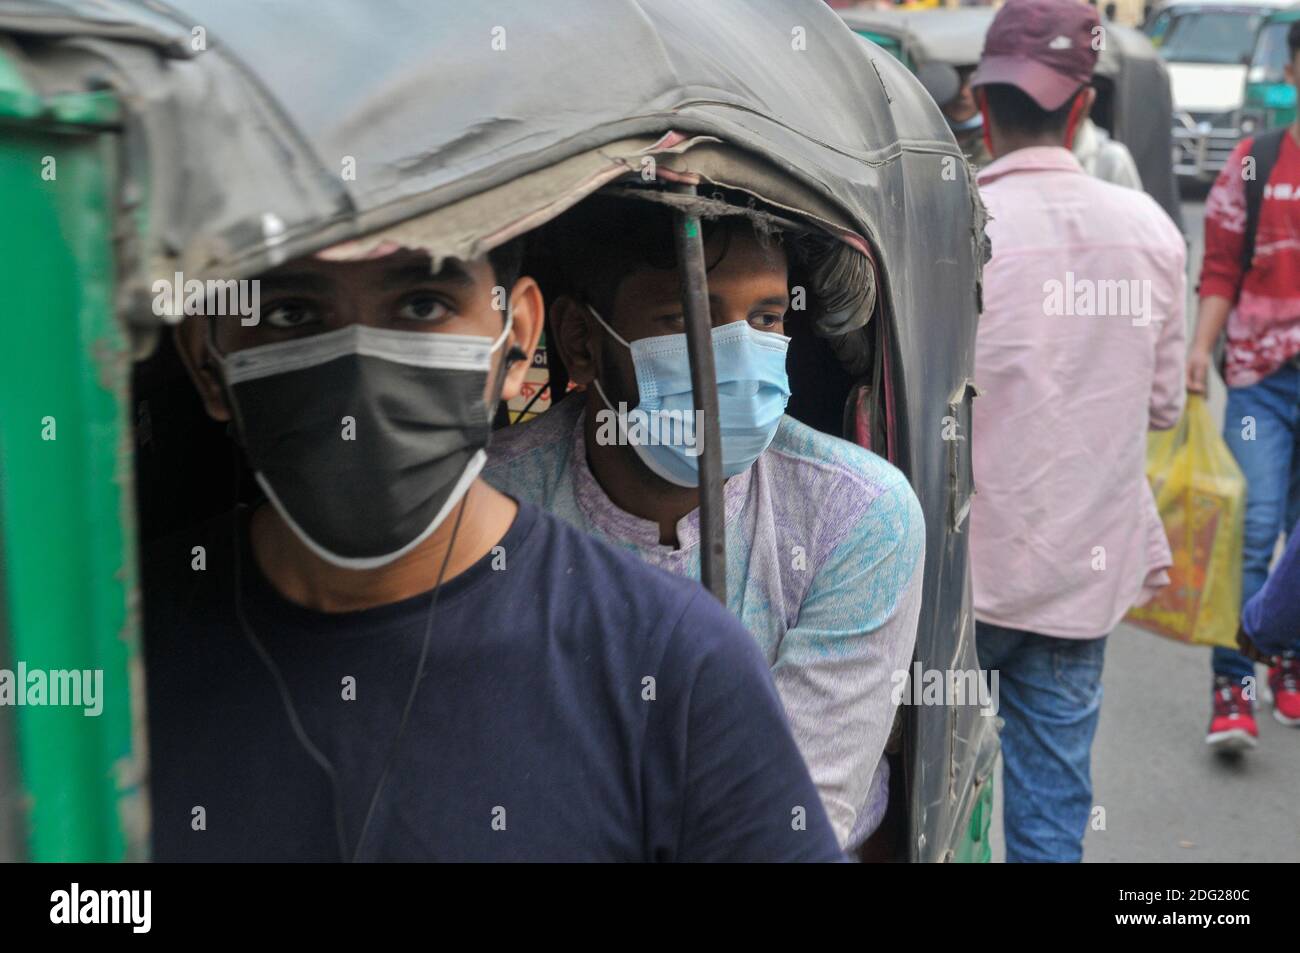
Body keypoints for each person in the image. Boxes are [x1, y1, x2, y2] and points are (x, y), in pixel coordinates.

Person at [143, 233, 844, 862]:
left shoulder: (674, 664)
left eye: (422, 304)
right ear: (208, 359)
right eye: (292, 311)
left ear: (516, 338)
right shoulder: (103, 649)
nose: (360, 368)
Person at [484, 194, 926, 851]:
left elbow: (792, 821)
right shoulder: (492, 502)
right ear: (581, 340)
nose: (738, 360)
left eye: (766, 318)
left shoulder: (856, 516)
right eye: (686, 318)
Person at [967, 0, 1187, 862]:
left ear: (981, 107)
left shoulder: (955, 230)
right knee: (1051, 816)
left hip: (960, 582)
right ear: (1083, 108)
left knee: (914, 792)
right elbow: (1164, 404)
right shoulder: (1153, 235)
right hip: (1078, 582)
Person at [1186, 18, 1300, 748]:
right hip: (1261, 380)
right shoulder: (1255, 163)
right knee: (1252, 527)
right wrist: (1200, 347)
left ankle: (1286, 658)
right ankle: (1233, 682)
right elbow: (1221, 264)